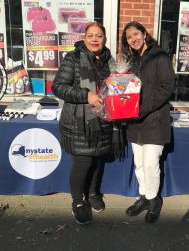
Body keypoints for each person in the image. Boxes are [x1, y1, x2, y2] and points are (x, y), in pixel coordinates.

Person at [52, 22, 119, 225]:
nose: (94, 39)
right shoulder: (72, 58)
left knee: (97, 159)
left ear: (105, 38)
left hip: (104, 120)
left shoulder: (110, 61)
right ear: (84, 37)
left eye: (99, 36)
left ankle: (92, 194)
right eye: (90, 35)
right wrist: (86, 95)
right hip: (79, 122)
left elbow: (116, 88)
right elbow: (58, 87)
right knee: (83, 162)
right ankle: (77, 202)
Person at [120, 21, 175, 223]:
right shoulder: (132, 61)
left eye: (136, 34)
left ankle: (154, 201)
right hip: (135, 122)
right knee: (139, 164)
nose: (133, 39)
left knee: (151, 164)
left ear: (144, 33)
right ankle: (144, 196)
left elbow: (167, 87)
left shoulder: (159, 55)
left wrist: (141, 110)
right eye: (128, 37)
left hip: (154, 120)